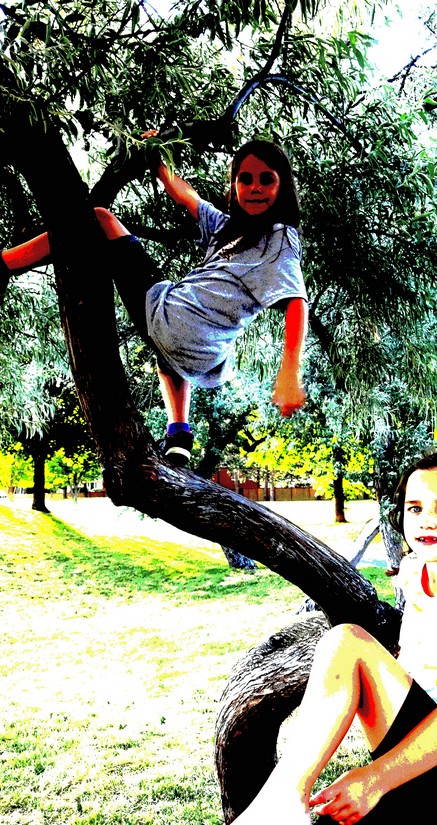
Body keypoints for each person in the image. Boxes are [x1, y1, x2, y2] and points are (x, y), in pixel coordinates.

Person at [0, 135, 308, 467]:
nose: (255, 188)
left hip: (174, 319)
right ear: (233, 186)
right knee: (170, 355)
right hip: (204, 352)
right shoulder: (225, 228)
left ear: (283, 187)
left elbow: (296, 301)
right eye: (245, 179)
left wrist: (290, 371)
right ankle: (179, 434)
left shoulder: (280, 237)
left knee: (101, 218)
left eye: (266, 179)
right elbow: (187, 196)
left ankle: (3, 263)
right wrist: (157, 159)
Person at [231, 452, 437, 824]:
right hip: (412, 748)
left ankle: (284, 800)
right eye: (415, 508)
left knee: (346, 642)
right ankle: (282, 800)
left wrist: (375, 779)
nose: (427, 520)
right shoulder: (415, 570)